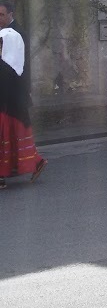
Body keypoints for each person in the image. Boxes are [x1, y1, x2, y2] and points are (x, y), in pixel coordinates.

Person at [0, 24, 47, 189]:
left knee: (7, 144)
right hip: (12, 112)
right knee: (14, 143)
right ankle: (36, 162)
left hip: (8, 112)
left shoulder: (7, 66)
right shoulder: (13, 65)